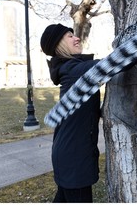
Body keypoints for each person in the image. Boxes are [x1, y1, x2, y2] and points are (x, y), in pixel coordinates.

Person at [40, 23, 101, 202]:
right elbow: (117, 62)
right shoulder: (75, 71)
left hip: (68, 155)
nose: (76, 38)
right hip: (74, 160)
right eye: (69, 36)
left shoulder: (70, 69)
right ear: (58, 45)